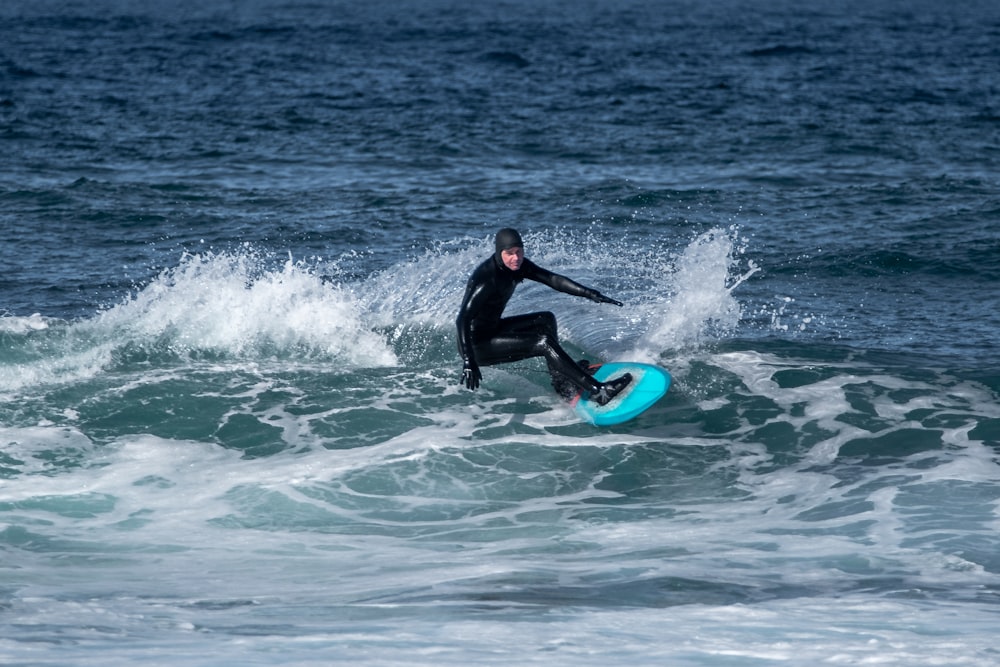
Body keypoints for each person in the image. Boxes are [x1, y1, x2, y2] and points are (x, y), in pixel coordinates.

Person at [456, 228, 632, 406]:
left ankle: (561, 380)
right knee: (543, 342)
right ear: (499, 253)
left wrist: (589, 293)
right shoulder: (487, 278)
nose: (515, 258)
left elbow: (552, 279)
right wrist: (469, 361)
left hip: (492, 330)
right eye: (509, 253)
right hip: (476, 346)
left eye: (519, 252)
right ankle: (598, 391)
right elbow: (462, 319)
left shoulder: (518, 266)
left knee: (545, 320)